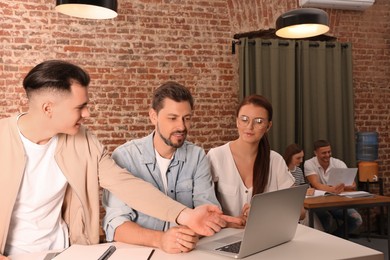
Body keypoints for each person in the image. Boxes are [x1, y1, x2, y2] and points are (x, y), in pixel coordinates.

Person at [0, 60, 239, 258]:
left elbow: (127, 185)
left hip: (65, 252)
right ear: (47, 108)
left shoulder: (84, 141)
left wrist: (186, 216)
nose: (87, 113)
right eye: (80, 107)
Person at [102, 81, 221, 254]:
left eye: (186, 118)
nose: (181, 126)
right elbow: (116, 225)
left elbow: (207, 214)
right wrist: (161, 240)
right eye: (172, 118)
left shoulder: (197, 156)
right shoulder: (126, 156)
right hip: (140, 253)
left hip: (187, 252)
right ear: (153, 116)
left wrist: (185, 238)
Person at [207, 94, 302, 227]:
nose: (249, 127)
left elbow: (300, 211)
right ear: (237, 121)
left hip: (266, 236)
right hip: (224, 237)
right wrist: (231, 222)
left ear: (268, 126)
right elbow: (203, 210)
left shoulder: (275, 161)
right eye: (244, 119)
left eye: (258, 121)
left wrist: (264, 212)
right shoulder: (216, 157)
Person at [304, 139, 363, 236]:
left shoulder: (338, 163)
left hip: (337, 202)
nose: (327, 155)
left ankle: (335, 239)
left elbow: (351, 184)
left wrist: (349, 186)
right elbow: (316, 185)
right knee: (327, 220)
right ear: (315, 153)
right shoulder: (309, 163)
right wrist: (335, 189)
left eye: (329, 152)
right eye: (324, 153)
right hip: (319, 203)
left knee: (357, 220)